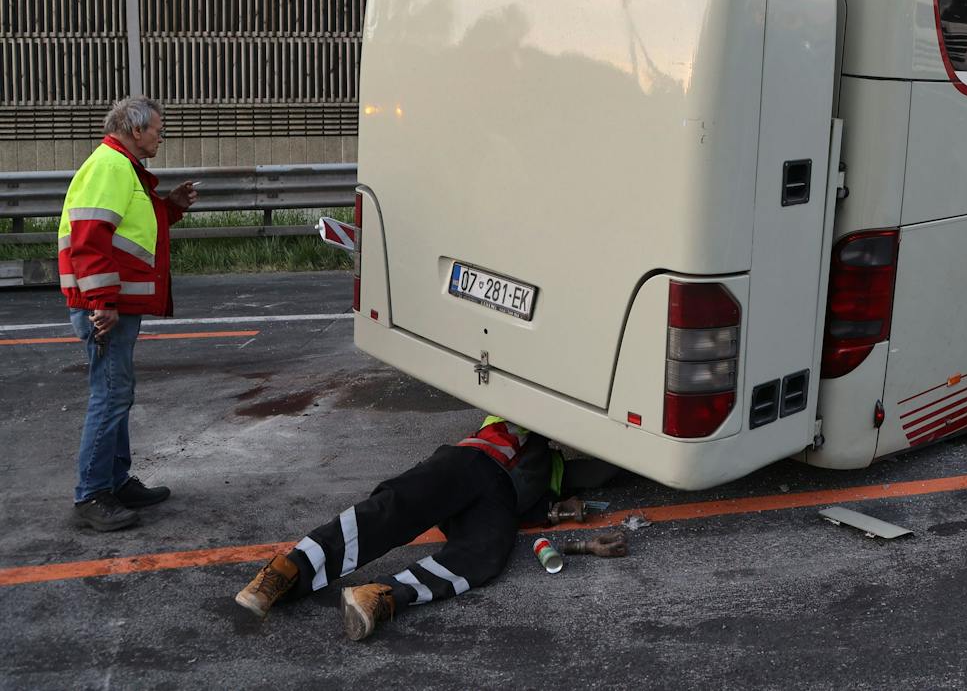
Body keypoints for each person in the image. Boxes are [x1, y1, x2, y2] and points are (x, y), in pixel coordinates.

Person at [234, 415, 627, 641]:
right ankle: (290, 570)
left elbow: (600, 469)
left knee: (484, 555)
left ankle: (382, 595)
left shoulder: (555, 468)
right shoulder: (515, 415)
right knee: (394, 507)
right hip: (471, 463)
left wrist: (563, 508)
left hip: (498, 502)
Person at [59, 96, 197, 532]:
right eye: (157, 128)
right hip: (104, 308)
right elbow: (89, 238)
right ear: (136, 130)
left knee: (116, 392)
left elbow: (131, 229)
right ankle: (92, 494)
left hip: (111, 305)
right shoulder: (111, 167)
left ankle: (115, 482)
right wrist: (102, 302)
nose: (161, 135)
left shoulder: (122, 167)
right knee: (112, 394)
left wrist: (169, 205)